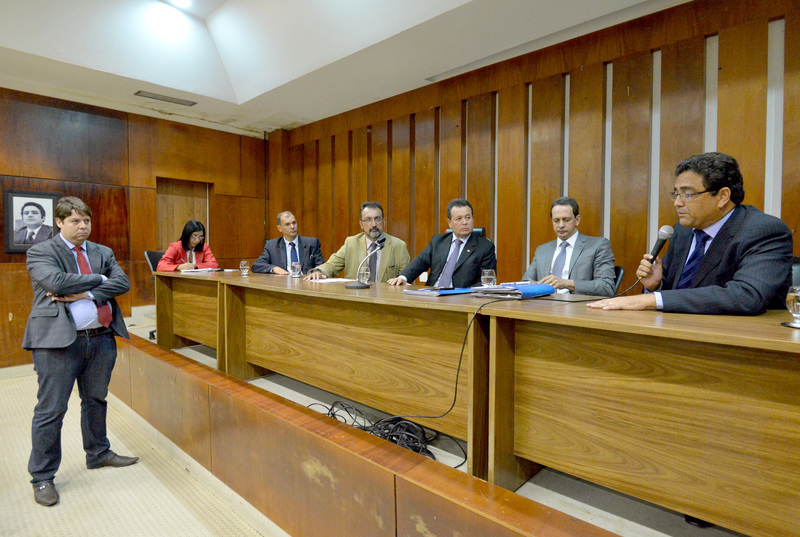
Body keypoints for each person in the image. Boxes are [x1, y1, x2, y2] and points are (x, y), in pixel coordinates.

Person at [23, 196, 137, 507]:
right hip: (58, 343)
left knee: (96, 399)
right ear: (59, 222)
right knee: (51, 410)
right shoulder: (42, 251)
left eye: (86, 220)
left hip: (101, 339)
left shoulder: (102, 251)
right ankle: (42, 476)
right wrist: (100, 279)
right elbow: (55, 281)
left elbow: (123, 282)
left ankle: (98, 453)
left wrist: (85, 293)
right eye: (75, 221)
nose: (83, 226)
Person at [587, 152, 793, 314]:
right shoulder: (682, 231)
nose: (677, 203)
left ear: (722, 196)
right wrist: (656, 286)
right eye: (676, 194)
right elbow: (675, 297)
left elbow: (747, 296)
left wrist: (651, 299)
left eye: (688, 194)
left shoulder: (763, 230)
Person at [388, 198, 496, 288]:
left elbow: (485, 283)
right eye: (459, 219)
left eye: (468, 218)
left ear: (473, 219)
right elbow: (419, 262)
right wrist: (403, 278)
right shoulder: (438, 241)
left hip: (461, 299)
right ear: (449, 223)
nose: (464, 222)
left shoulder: (485, 247)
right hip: (432, 294)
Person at [522, 196, 616, 296]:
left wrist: (566, 283)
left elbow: (606, 287)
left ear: (577, 220)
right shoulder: (542, 250)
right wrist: (533, 286)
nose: (561, 225)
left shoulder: (598, 245)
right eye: (556, 220)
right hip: (544, 303)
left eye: (566, 220)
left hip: (578, 304)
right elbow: (525, 283)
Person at [304, 201, 410, 282]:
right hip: (356, 298)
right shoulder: (351, 243)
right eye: (368, 220)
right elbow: (331, 265)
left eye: (377, 219)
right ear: (361, 224)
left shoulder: (399, 246)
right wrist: (318, 271)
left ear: (384, 222)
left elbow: (406, 277)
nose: (373, 224)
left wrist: (402, 280)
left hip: (384, 300)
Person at [252, 211, 324, 275]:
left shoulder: (312, 243)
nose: (292, 227)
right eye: (287, 224)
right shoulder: (272, 246)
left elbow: (321, 265)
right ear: (279, 228)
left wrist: (317, 272)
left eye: (294, 223)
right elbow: (256, 265)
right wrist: (274, 268)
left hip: (305, 282)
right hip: (283, 283)